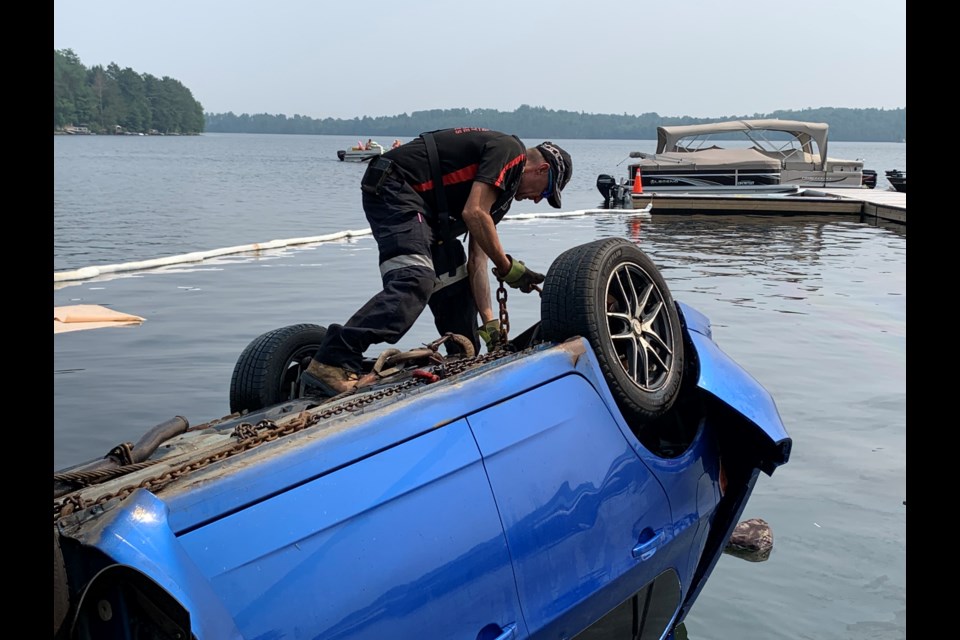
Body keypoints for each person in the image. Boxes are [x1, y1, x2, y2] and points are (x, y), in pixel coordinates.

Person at [301, 127, 572, 396]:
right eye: (546, 193)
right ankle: (332, 360)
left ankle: (458, 363)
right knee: (415, 280)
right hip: (395, 187)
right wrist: (507, 268)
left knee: (459, 303)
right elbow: (474, 211)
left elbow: (476, 261)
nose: (537, 200)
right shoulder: (510, 151)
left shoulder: (500, 198)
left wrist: (489, 322)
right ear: (542, 169)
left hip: (429, 215)